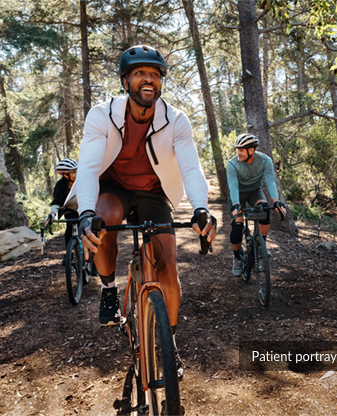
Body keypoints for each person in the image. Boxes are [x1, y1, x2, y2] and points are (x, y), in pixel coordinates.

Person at [68, 45, 215, 326]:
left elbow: (191, 167)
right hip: (114, 186)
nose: (148, 79)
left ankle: (170, 342)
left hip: (154, 192)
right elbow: (87, 166)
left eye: (155, 74)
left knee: (168, 269)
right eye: (139, 73)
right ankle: (109, 289)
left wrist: (201, 208)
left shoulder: (176, 120)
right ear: (125, 82)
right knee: (103, 219)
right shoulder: (102, 114)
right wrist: (86, 212)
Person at [224, 133, 286, 276]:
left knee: (265, 211)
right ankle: (237, 259)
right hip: (237, 195)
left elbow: (270, 181)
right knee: (237, 227)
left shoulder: (265, 161)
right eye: (237, 149)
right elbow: (233, 186)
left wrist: (276, 200)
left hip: (254, 192)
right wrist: (236, 204)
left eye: (241, 150)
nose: (237, 153)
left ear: (251, 151)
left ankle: (260, 245)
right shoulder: (233, 164)